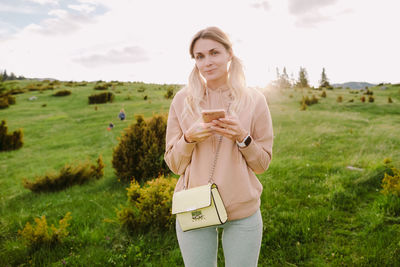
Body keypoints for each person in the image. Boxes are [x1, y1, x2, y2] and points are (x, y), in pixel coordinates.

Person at [164, 26, 273, 267]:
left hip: (242, 210)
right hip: (194, 206)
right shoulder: (182, 101)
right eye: (199, 56)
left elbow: (262, 164)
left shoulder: (255, 100)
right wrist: (188, 139)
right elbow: (173, 163)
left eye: (214, 53)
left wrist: (243, 138)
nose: (207, 62)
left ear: (229, 54)